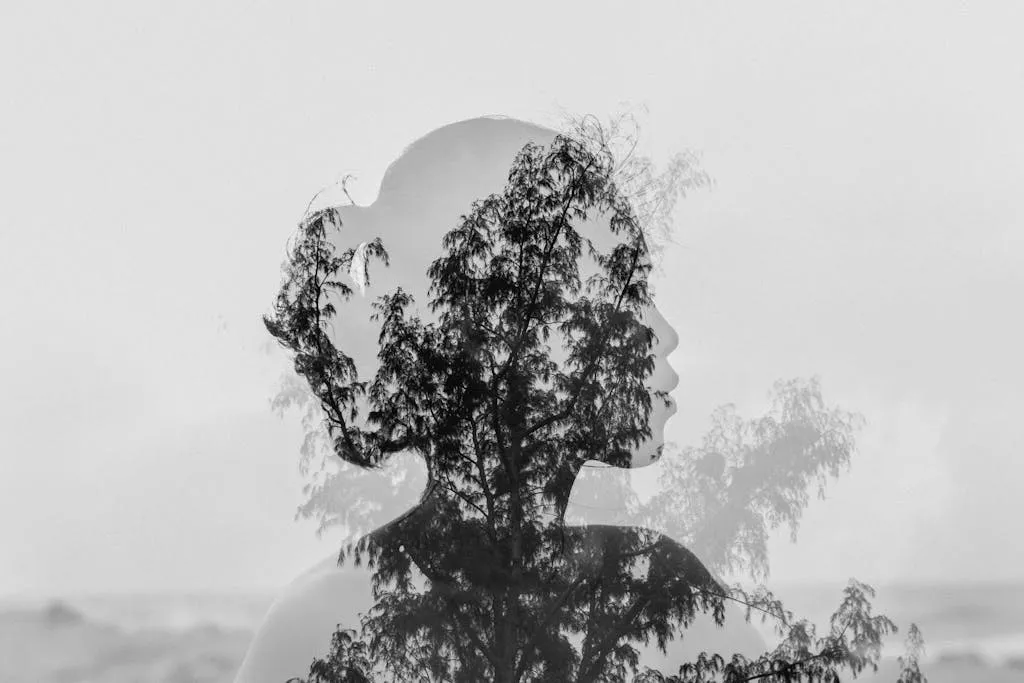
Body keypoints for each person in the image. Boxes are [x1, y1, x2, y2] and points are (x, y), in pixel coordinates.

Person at [235, 116, 766, 683]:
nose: (664, 333)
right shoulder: (661, 592)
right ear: (514, 334)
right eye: (627, 295)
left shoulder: (322, 618)